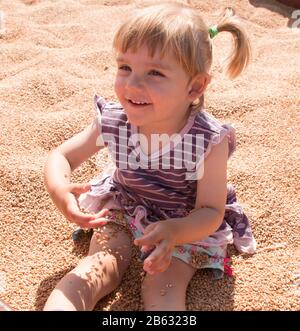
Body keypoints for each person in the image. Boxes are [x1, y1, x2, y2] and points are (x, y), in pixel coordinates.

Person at [43, 1, 256, 311]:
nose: (132, 83)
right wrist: (60, 190)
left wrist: (174, 231)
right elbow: (61, 157)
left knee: (162, 288)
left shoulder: (208, 141)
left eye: (154, 73)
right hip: (125, 204)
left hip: (183, 223)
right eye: (125, 67)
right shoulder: (115, 120)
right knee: (95, 269)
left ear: (194, 86)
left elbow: (211, 211)